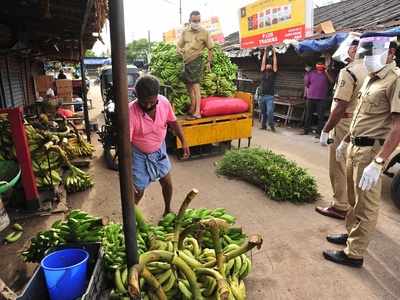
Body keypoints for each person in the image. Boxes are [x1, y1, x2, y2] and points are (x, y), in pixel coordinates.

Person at [323, 37, 400, 268]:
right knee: (353, 199)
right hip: (354, 146)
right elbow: (359, 116)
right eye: (364, 55)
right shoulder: (370, 79)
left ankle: (354, 254)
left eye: (372, 54)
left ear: (391, 53)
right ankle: (350, 235)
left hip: (371, 151)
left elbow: (398, 126)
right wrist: (345, 141)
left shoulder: (395, 80)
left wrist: (379, 162)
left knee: (366, 205)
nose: (367, 60)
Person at [316, 39, 368, 219]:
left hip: (345, 122)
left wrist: (325, 129)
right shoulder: (372, 70)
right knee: (353, 165)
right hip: (362, 122)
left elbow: (339, 107)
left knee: (338, 165)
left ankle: (340, 206)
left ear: (353, 49)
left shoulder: (349, 71)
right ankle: (354, 206)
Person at [128, 75, 190, 216]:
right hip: (138, 154)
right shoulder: (130, 112)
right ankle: (132, 219)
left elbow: (173, 122)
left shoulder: (164, 102)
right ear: (137, 97)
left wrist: (183, 140)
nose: (148, 106)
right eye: (144, 102)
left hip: (159, 149)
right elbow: (125, 145)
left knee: (167, 182)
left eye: (152, 101)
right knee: (137, 190)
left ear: (157, 95)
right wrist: (128, 178)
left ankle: (167, 210)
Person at [177, 11, 213, 119]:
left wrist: (209, 62)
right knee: (188, 85)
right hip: (186, 62)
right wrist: (179, 50)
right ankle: (192, 107)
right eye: (194, 21)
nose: (196, 23)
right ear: (190, 21)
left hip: (197, 60)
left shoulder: (204, 32)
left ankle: (197, 112)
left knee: (195, 85)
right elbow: (179, 45)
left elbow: (210, 48)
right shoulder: (185, 32)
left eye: (198, 21)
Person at [302, 62, 334, 136]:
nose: (319, 66)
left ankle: (319, 133)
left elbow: (332, 82)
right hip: (310, 97)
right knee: (308, 115)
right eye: (318, 65)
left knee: (320, 116)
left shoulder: (326, 74)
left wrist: (326, 72)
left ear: (323, 66)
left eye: (321, 65)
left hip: (322, 98)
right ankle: (306, 130)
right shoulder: (311, 73)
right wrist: (305, 94)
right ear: (316, 66)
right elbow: (306, 84)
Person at [259, 47, 278, 131]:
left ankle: (271, 125)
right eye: (267, 64)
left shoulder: (274, 73)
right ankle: (263, 126)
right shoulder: (263, 71)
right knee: (263, 112)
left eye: (270, 64)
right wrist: (265, 52)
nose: (268, 65)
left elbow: (275, 63)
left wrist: (274, 53)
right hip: (262, 96)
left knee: (269, 112)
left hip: (270, 96)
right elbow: (263, 62)